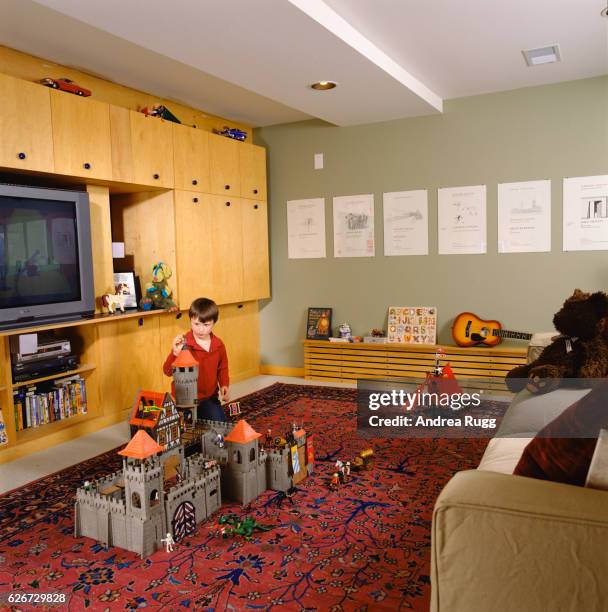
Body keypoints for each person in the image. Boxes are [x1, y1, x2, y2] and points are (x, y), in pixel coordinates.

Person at [163, 297, 229, 422]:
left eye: (206, 325)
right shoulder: (183, 343)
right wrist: (175, 354)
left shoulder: (219, 345)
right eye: (196, 324)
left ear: (214, 323)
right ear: (190, 321)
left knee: (220, 428)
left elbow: (223, 368)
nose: (200, 329)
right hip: (184, 399)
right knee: (175, 429)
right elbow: (167, 371)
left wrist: (224, 385)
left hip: (208, 398)